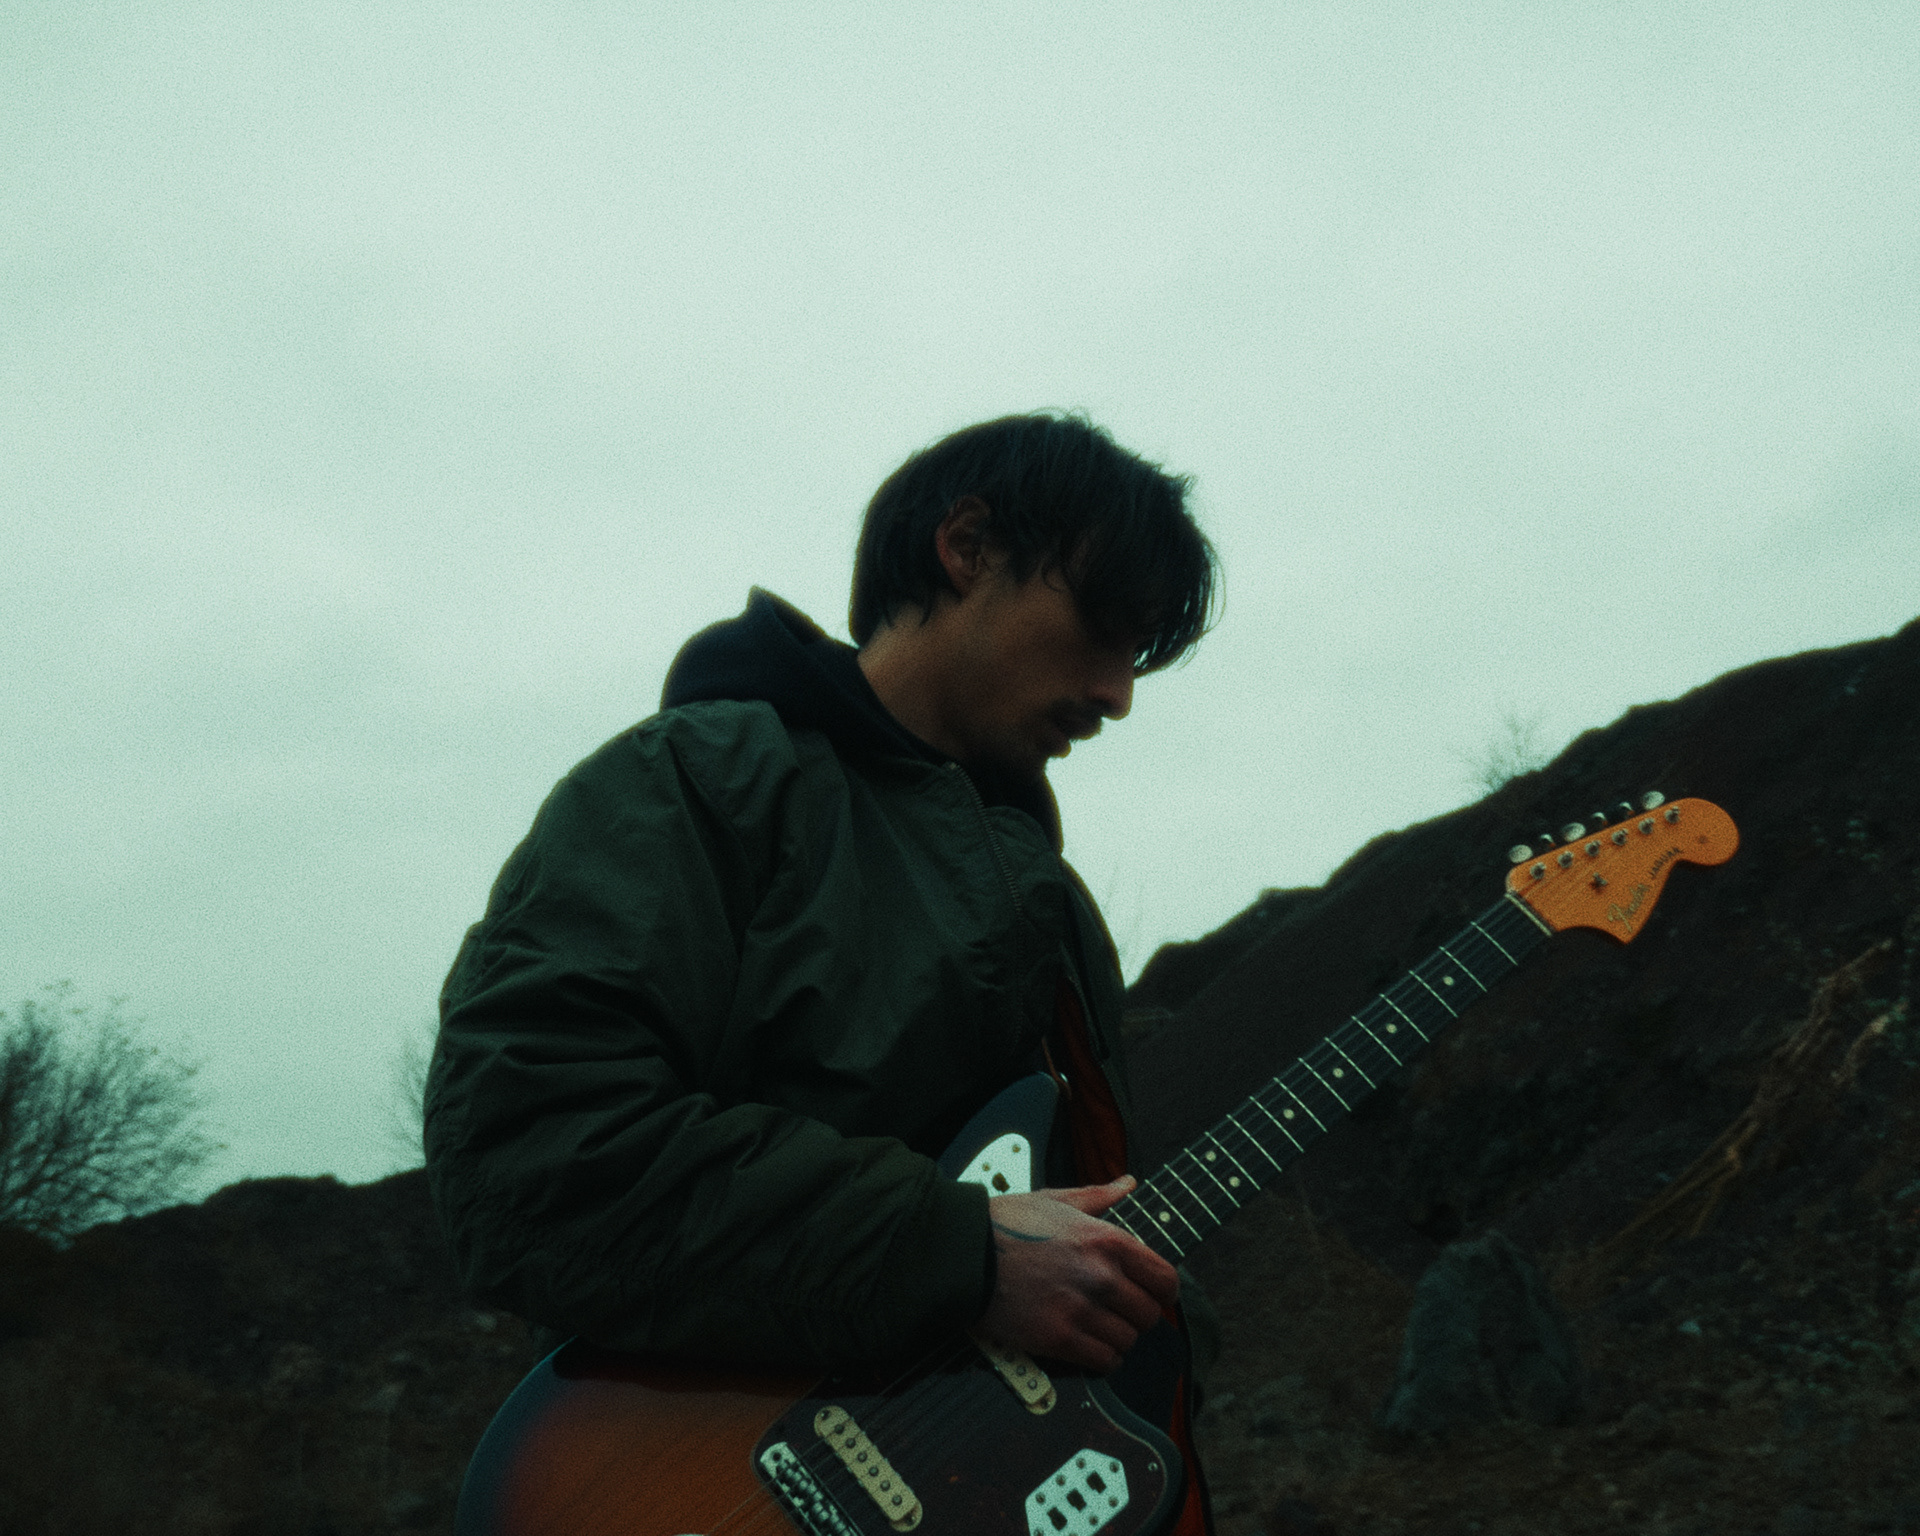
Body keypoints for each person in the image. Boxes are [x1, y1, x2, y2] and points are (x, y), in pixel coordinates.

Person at [425, 412, 1220, 1523]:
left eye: (1140, 655)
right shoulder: (702, 784)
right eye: (1103, 624)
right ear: (967, 547)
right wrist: (962, 1255)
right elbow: (532, 1153)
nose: (1120, 692)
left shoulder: (1065, 921)